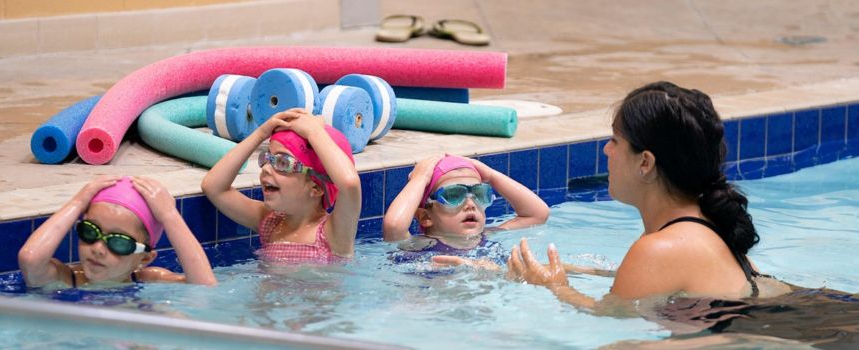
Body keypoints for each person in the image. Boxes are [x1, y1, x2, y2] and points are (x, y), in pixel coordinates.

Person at [507, 81, 792, 308]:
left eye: (615, 140)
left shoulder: (659, 248)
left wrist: (556, 287)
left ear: (645, 162)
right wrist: (555, 269)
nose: (606, 150)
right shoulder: (708, 224)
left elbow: (608, 317)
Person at [202, 108, 360, 264]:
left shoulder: (333, 235)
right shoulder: (270, 222)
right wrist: (261, 133)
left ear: (316, 188)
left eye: (283, 163)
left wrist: (314, 132)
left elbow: (349, 184)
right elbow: (214, 187)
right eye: (267, 158)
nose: (265, 168)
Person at [19, 176, 216, 288]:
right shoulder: (66, 279)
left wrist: (170, 216)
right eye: (90, 232)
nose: (98, 249)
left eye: (118, 242)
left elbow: (204, 288)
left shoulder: (150, 279)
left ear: (144, 258)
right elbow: (30, 259)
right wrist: (77, 203)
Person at [382, 154, 550, 267]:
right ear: (426, 216)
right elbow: (394, 226)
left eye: (479, 194)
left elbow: (538, 214)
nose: (471, 204)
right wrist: (421, 178)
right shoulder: (419, 245)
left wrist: (491, 176)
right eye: (454, 195)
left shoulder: (488, 235)